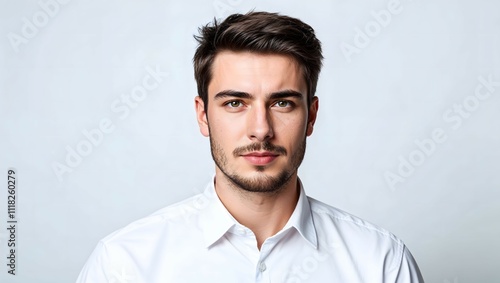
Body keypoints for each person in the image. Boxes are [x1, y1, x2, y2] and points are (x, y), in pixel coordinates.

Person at [77, 11, 424, 282]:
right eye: (235, 103)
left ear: (312, 116)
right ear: (203, 115)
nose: (261, 130)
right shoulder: (125, 265)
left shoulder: (380, 263)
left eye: (282, 103)